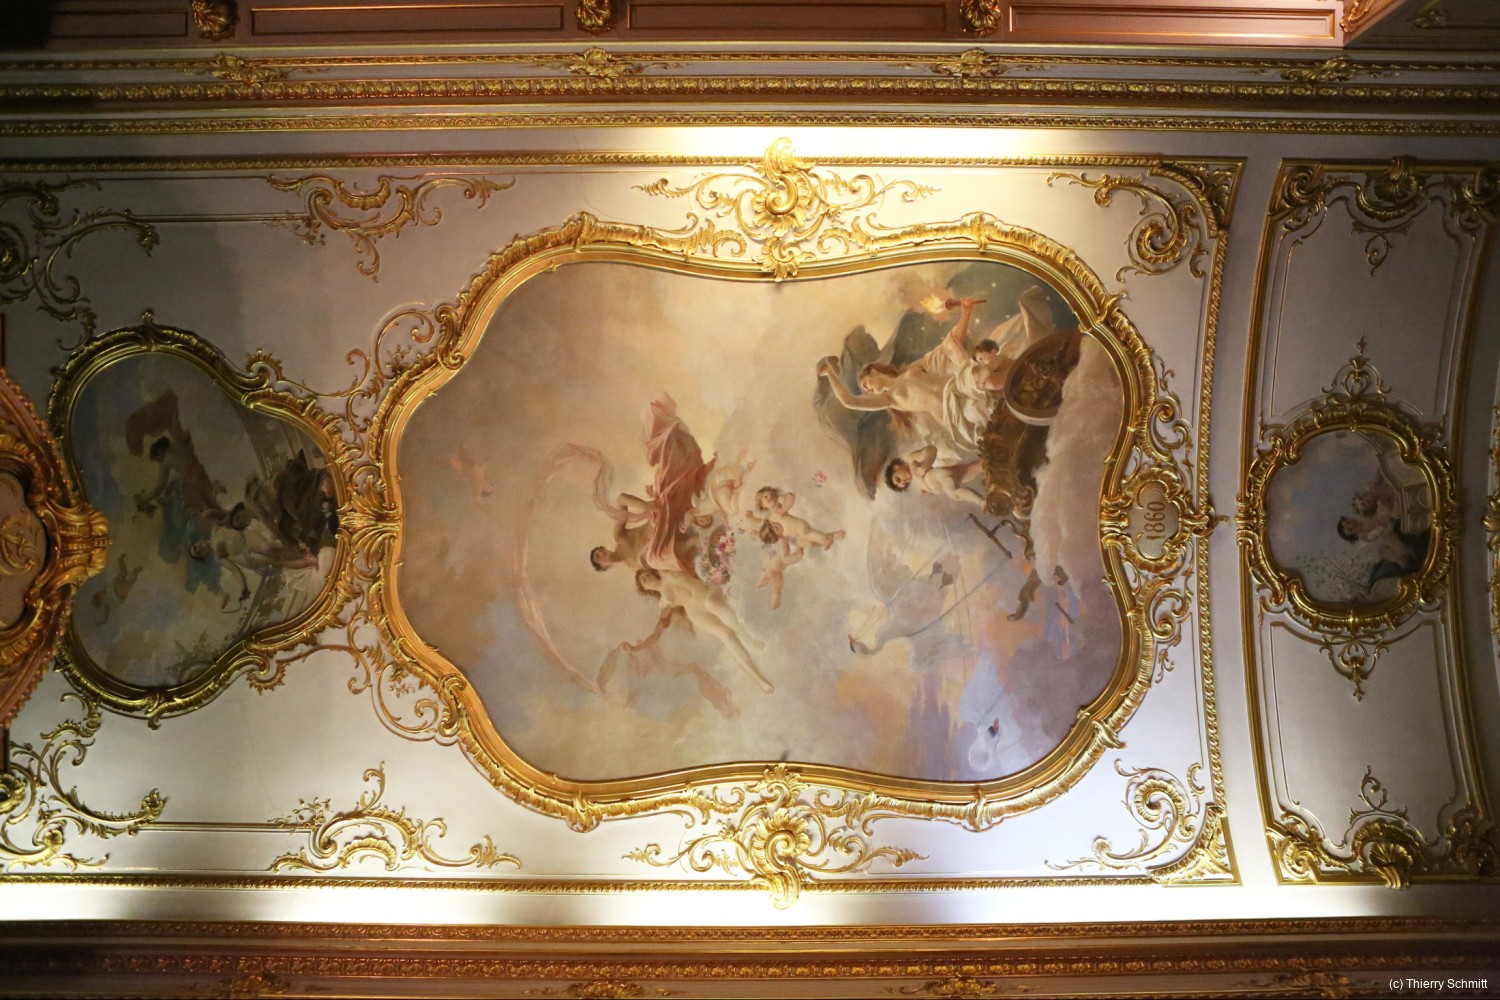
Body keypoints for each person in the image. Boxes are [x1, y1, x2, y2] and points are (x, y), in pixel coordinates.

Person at [632, 568, 774, 694]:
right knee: (725, 635)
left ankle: (747, 637)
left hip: (707, 593)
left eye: (646, 574)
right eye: (643, 580)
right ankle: (759, 679)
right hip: (696, 612)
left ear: (652, 572)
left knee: (712, 604)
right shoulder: (663, 604)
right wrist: (637, 647)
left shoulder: (666, 573)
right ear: (645, 588)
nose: (646, 578)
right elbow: (657, 633)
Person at [884, 446, 985, 507]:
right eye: (903, 484)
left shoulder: (912, 460)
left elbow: (931, 450)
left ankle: (981, 502)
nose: (903, 482)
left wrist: (923, 467)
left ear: (896, 467)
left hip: (941, 476)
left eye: (898, 479)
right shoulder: (917, 478)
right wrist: (928, 490)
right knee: (974, 469)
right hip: (948, 476)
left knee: (955, 494)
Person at [751, 486, 844, 550]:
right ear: (762, 505)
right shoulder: (769, 521)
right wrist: (753, 522)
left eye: (771, 495)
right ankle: (832, 536)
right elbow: (761, 524)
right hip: (795, 537)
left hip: (799, 526)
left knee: (806, 534)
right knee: (809, 543)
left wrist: (783, 508)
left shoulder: (778, 507)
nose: (769, 497)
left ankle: (825, 540)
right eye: (765, 497)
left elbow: (791, 496)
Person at [755, 520, 804, 610]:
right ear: (775, 535)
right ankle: (774, 605)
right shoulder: (782, 542)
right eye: (776, 527)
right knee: (777, 589)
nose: (777, 523)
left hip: (767, 564)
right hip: (775, 570)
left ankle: (761, 581)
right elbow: (785, 559)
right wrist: (798, 555)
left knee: (765, 571)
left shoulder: (773, 541)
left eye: (774, 523)